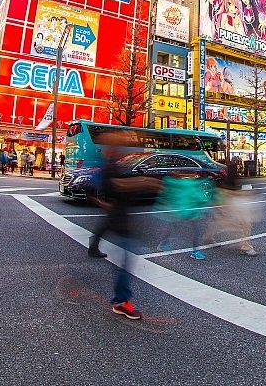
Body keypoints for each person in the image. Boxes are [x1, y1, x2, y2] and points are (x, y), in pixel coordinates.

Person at [87, 133, 159, 320]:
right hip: (120, 221)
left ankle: (121, 299)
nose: (121, 144)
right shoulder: (109, 166)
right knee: (126, 262)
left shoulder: (114, 163)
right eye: (117, 142)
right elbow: (116, 185)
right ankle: (121, 302)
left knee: (125, 261)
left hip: (120, 218)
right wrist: (145, 182)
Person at [156, 171, 211, 259]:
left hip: (178, 210)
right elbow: (200, 197)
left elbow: (167, 195)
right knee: (196, 230)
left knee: (173, 225)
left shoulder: (175, 184)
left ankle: (163, 243)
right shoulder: (190, 184)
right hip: (190, 211)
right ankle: (195, 251)